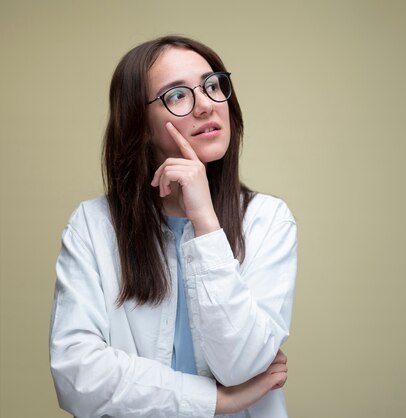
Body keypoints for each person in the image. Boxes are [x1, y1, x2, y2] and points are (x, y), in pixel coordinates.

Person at [49, 35, 297, 417]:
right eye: (177, 95)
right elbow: (77, 376)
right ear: (141, 125)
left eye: (213, 85)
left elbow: (242, 364)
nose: (205, 105)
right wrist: (215, 401)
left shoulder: (268, 220)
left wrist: (205, 222)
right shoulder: (93, 225)